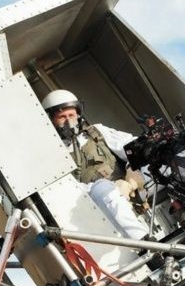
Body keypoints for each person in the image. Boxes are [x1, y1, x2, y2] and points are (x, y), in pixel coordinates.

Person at [41, 89, 149, 240]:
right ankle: (144, 241)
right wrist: (113, 188)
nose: (68, 121)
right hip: (98, 205)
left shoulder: (97, 132)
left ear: (78, 114)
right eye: (62, 117)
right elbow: (70, 191)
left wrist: (130, 174)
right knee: (103, 188)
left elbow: (132, 146)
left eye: (71, 115)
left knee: (157, 158)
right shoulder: (54, 155)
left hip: (133, 189)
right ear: (51, 120)